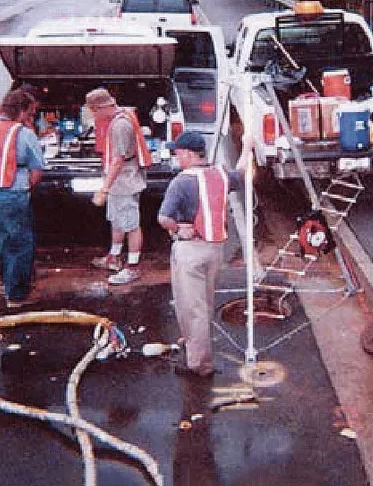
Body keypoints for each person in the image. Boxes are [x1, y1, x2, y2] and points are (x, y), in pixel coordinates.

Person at [158, 130, 252, 378]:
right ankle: (193, 344)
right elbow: (242, 173)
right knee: (204, 304)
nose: (176, 157)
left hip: (190, 250)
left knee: (192, 307)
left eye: (178, 153)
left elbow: (163, 218)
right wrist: (246, 146)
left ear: (189, 154)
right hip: (214, 250)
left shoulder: (181, 181)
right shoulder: (219, 175)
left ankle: (199, 365)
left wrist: (177, 228)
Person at [0, 88, 44, 308]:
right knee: (21, 244)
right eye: (30, 114)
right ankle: (17, 295)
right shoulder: (22, 133)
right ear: (21, 110)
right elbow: (36, 170)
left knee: (2, 241)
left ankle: (5, 282)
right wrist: (26, 189)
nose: (30, 119)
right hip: (12, 195)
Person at [86, 87, 149, 284]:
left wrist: (105, 187)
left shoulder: (120, 125)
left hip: (124, 181)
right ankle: (113, 257)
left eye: (94, 111)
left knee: (131, 225)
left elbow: (118, 159)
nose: (94, 115)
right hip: (121, 181)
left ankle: (133, 266)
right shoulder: (119, 118)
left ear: (101, 107)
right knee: (117, 219)